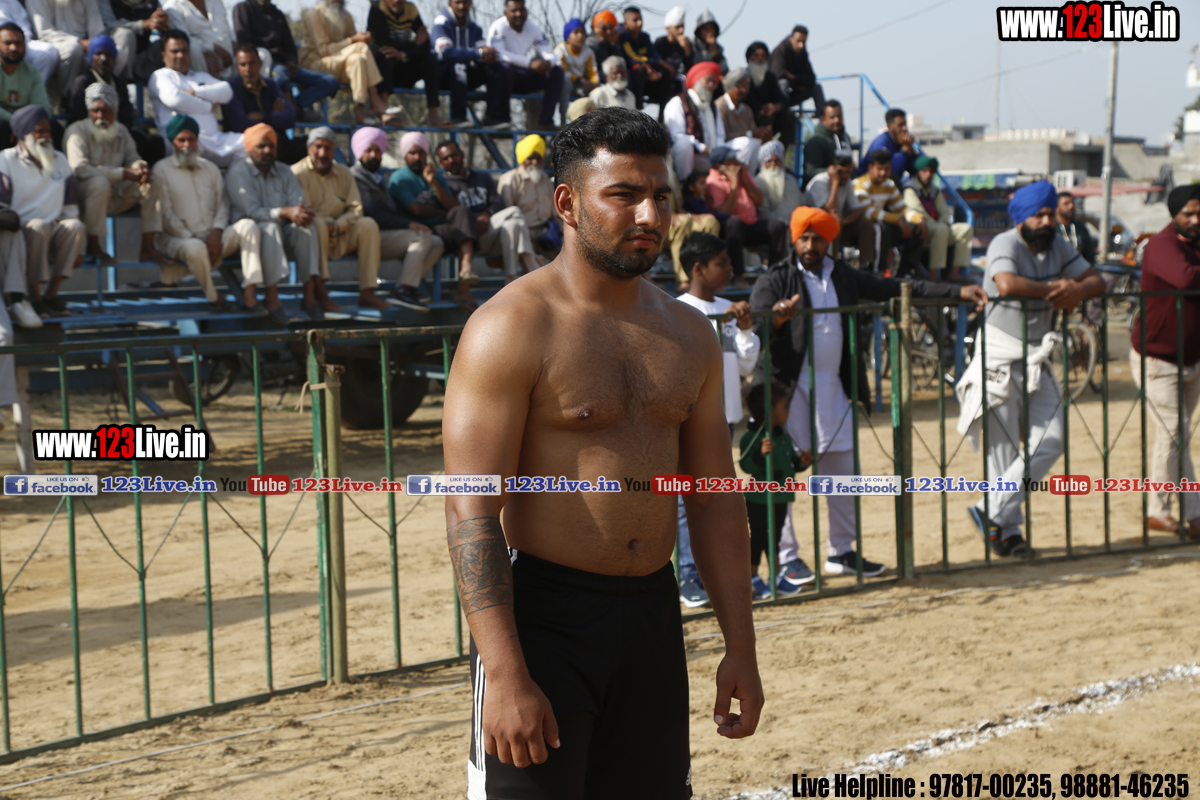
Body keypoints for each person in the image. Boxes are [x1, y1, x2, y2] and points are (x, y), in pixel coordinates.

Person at [444, 105, 762, 796]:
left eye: (661, 197)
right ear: (567, 203)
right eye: (624, 194)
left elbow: (714, 499)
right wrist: (504, 672)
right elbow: (471, 513)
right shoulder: (509, 327)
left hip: (652, 615)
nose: (650, 215)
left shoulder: (689, 334)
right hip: (543, 621)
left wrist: (740, 645)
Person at [753, 206, 988, 576]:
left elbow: (897, 288)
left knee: (843, 475)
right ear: (794, 240)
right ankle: (786, 559)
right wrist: (777, 318)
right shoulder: (776, 278)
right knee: (781, 476)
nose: (811, 245)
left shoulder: (841, 273)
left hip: (834, 387)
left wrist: (957, 290)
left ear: (829, 241)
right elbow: (756, 325)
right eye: (804, 238)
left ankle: (841, 552)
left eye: (818, 238)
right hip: (788, 392)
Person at [956, 181, 1105, 557]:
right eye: (1038, 215)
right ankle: (1009, 534)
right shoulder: (1004, 243)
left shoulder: (1058, 245)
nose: (1046, 221)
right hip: (999, 355)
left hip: (1039, 356)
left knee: (1052, 440)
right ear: (1022, 217)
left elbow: (1097, 279)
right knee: (1002, 450)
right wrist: (1058, 289)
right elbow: (1006, 284)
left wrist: (1077, 290)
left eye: (1050, 214)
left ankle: (990, 511)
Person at [672, 231, 765, 607]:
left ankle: (716, 571)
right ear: (698, 269)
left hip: (724, 417)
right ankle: (688, 574)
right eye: (721, 263)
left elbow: (746, 365)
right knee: (687, 495)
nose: (730, 269)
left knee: (718, 495)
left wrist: (744, 330)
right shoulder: (677, 309)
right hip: (691, 417)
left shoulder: (730, 308)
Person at [1128, 184, 1200, 539]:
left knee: (1174, 437)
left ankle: (1169, 511)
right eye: (1189, 213)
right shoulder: (1161, 244)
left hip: (1191, 358)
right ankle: (1182, 512)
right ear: (1174, 215)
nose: (1196, 219)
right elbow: (1186, 278)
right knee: (1175, 434)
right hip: (1157, 358)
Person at [154, 113, 263, 311]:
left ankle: (250, 293)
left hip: (213, 239)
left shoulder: (211, 169)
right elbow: (166, 215)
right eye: (181, 140)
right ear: (172, 142)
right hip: (179, 240)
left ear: (197, 141)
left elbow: (223, 205)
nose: (187, 144)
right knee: (195, 248)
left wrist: (217, 231)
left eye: (191, 139)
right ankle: (214, 298)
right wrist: (193, 237)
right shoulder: (161, 170)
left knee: (248, 227)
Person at [64, 82, 170, 268]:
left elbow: (133, 157)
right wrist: (123, 173)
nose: (100, 116)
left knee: (153, 181)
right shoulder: (76, 131)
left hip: (114, 196)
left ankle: (148, 247)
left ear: (115, 111)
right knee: (99, 183)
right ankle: (94, 246)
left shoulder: (121, 131)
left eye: (106, 111)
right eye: (95, 111)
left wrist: (140, 167)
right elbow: (79, 169)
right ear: (89, 111)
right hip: (84, 199)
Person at [225, 122, 321, 324]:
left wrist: (299, 213)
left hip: (281, 234)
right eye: (261, 146)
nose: (267, 151)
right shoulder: (237, 174)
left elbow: (297, 203)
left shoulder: (285, 172)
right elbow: (252, 212)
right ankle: (272, 296)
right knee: (269, 227)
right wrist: (284, 212)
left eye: (272, 146)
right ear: (249, 149)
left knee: (306, 229)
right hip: (247, 240)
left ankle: (310, 294)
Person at [293, 126, 391, 314]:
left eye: (328, 148)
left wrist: (338, 225)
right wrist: (327, 226)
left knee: (368, 224)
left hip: (340, 232)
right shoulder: (297, 173)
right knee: (315, 223)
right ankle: (320, 290)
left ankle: (368, 291)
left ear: (334, 150)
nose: (323, 153)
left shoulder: (344, 172)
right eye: (318, 147)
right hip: (313, 236)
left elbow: (356, 208)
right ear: (309, 149)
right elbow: (303, 212)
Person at [0, 106, 85, 318]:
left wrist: (78, 248)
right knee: (38, 226)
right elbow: (3, 208)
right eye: (39, 131)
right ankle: (35, 297)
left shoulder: (60, 160)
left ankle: (51, 294)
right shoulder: (6, 160)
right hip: (20, 233)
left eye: (48, 131)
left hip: (51, 230)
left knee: (75, 226)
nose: (46, 136)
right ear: (23, 135)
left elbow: (70, 208)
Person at [349, 126, 444, 312]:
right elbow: (371, 212)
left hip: (384, 236)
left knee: (437, 242)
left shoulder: (379, 176)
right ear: (359, 151)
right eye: (368, 150)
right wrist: (408, 223)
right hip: (364, 238)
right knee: (421, 237)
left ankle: (405, 287)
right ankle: (404, 289)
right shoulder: (355, 176)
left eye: (377, 150)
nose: (374, 155)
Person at [739, 378, 812, 599]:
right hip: (759, 499)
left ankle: (776, 576)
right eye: (784, 407)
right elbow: (746, 465)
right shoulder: (752, 437)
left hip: (781, 497)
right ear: (768, 411)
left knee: (775, 538)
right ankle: (752, 578)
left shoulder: (783, 436)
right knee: (758, 538)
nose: (788, 411)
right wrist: (760, 455)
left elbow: (791, 464)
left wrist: (803, 462)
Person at [386, 130, 477, 305]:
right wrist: (442, 213)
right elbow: (416, 209)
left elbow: (454, 207)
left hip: (442, 229)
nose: (417, 157)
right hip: (419, 229)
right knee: (462, 231)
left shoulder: (435, 176)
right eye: (413, 153)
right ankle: (407, 287)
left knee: (463, 214)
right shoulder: (400, 179)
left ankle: (466, 269)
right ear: (405, 155)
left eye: (421, 153)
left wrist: (434, 183)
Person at [436, 138, 539, 282]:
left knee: (513, 225)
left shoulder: (482, 177)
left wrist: (487, 214)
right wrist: (473, 222)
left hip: (490, 231)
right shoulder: (444, 185)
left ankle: (510, 279)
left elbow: (498, 202)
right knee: (515, 212)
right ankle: (533, 265)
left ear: (462, 154)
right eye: (446, 158)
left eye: (454, 155)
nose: (451, 160)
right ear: (441, 163)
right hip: (467, 237)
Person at [149, 30, 245, 167]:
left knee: (252, 143)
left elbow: (227, 92)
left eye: (184, 51)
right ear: (164, 55)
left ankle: (229, 179)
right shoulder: (160, 76)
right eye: (175, 51)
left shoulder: (200, 76)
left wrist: (195, 92)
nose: (181, 55)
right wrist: (208, 106)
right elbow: (175, 99)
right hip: (181, 142)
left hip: (215, 141)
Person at [232, 0, 338, 123]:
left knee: (329, 81)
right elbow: (244, 44)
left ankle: (294, 108)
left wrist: (292, 63)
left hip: (285, 65)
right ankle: (286, 112)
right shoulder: (242, 8)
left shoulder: (277, 14)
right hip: (262, 63)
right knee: (281, 74)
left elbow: (290, 46)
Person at [299, 0, 389, 125]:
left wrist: (362, 39)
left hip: (338, 64)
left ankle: (359, 111)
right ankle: (375, 98)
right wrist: (353, 40)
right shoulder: (315, 14)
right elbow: (323, 50)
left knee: (358, 59)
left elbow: (354, 46)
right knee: (360, 47)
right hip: (315, 65)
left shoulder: (346, 16)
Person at [705, 145, 788, 278]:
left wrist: (744, 177)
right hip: (728, 229)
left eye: (736, 160)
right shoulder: (713, 181)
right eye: (731, 162)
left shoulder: (743, 174)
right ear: (719, 166)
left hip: (750, 225)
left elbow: (759, 200)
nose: (736, 163)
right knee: (735, 223)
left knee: (778, 226)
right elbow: (725, 212)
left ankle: (775, 275)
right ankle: (739, 275)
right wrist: (734, 184)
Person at [428, 0, 508, 128]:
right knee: (458, 64)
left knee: (496, 67)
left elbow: (481, 53)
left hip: (464, 77)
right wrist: (478, 53)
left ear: (470, 3)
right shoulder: (441, 23)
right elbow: (447, 53)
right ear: (450, 3)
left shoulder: (474, 27)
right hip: (441, 77)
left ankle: (492, 117)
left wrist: (488, 56)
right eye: (458, 2)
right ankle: (458, 117)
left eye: (465, 2)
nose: (462, 6)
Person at [222, 44, 306, 164]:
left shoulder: (270, 85)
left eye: (252, 63)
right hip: (249, 146)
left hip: (278, 143)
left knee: (315, 142)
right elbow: (240, 125)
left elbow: (290, 118)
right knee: (272, 141)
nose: (247, 68)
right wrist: (274, 118)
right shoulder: (230, 88)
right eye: (243, 64)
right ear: (237, 66)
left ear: (260, 64)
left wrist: (262, 116)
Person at [486, 0, 563, 130]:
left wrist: (547, 63)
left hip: (523, 76)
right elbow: (498, 54)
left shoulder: (533, 29)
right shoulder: (498, 27)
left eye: (521, 10)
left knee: (556, 71)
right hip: (502, 79)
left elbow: (548, 52)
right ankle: (501, 119)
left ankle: (546, 121)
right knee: (505, 68)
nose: (518, 14)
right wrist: (529, 62)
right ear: (506, 13)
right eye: (514, 11)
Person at [366, 0, 441, 125]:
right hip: (378, 75)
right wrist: (414, 44)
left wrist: (403, 54)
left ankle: (433, 113)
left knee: (431, 59)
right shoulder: (376, 8)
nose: (397, 1)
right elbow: (383, 42)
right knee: (386, 54)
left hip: (401, 72)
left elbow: (425, 44)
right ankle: (385, 111)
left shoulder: (411, 9)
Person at [852, 148, 925, 275]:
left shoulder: (889, 184)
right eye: (879, 169)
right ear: (871, 167)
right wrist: (897, 220)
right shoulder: (860, 184)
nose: (883, 173)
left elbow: (902, 209)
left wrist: (919, 219)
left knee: (917, 229)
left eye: (887, 169)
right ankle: (877, 271)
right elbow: (870, 212)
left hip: (881, 225)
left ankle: (906, 271)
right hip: (861, 228)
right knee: (882, 228)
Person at [903, 154, 973, 281]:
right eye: (924, 171)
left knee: (965, 229)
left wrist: (944, 222)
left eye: (931, 172)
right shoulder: (910, 189)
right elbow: (918, 213)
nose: (928, 175)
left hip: (936, 229)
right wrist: (940, 226)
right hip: (921, 229)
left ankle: (955, 272)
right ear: (918, 172)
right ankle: (934, 274)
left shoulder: (934, 190)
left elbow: (945, 211)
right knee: (941, 229)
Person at [26, 0, 105, 97]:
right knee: (74, 50)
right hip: (55, 44)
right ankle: (67, 97)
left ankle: (106, 96)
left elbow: (97, 31)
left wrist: (95, 44)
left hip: (87, 46)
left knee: (117, 53)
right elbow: (45, 33)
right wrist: (79, 42)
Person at [497, 134, 558, 257]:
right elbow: (508, 212)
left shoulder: (545, 178)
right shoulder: (510, 179)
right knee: (531, 259)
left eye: (538, 158)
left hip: (546, 233)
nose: (535, 162)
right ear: (522, 159)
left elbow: (554, 211)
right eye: (530, 158)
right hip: (522, 234)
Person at [663, 60, 723, 180]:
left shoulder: (712, 107)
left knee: (745, 145)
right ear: (697, 80)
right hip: (689, 156)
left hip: (710, 157)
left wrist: (718, 153)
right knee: (683, 144)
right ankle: (685, 183)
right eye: (708, 80)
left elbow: (720, 135)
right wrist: (702, 148)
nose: (711, 85)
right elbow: (677, 137)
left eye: (714, 82)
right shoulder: (678, 102)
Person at [808, 154, 870, 266]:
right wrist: (835, 182)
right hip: (816, 227)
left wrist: (845, 221)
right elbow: (828, 210)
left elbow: (858, 209)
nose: (845, 176)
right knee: (835, 220)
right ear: (832, 169)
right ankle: (832, 263)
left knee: (866, 221)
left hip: (838, 226)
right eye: (841, 172)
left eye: (848, 172)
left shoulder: (847, 182)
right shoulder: (820, 182)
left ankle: (866, 266)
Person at [0, 23, 51, 147]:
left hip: (28, 125)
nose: (13, 48)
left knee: (54, 128)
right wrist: (17, 124)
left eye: (18, 43)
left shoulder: (32, 72)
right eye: (7, 43)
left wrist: (29, 125)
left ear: (24, 46)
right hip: (6, 123)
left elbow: (43, 107)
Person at [716, 68, 772, 171]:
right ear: (730, 87)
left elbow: (755, 136)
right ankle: (735, 173)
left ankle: (749, 177)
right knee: (747, 143)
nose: (745, 90)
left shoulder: (746, 109)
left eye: (746, 87)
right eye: (740, 86)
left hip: (746, 148)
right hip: (725, 149)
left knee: (759, 144)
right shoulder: (720, 106)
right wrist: (751, 134)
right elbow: (723, 136)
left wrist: (764, 135)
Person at [97, 0, 169, 80]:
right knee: (126, 35)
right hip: (116, 57)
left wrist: (160, 21)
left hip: (143, 55)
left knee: (166, 44)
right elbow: (110, 24)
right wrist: (142, 25)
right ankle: (122, 81)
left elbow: (163, 24)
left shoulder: (154, 2)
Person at [162, 0, 234, 78]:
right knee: (193, 48)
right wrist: (213, 48)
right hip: (203, 65)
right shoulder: (172, 8)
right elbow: (183, 40)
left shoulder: (215, 1)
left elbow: (226, 28)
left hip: (232, 62)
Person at [619, 6, 673, 109]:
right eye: (635, 20)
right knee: (639, 69)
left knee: (666, 73)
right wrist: (652, 64)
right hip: (633, 80)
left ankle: (663, 112)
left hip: (649, 77)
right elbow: (632, 58)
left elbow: (655, 56)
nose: (640, 23)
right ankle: (637, 110)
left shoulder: (645, 37)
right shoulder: (623, 37)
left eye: (641, 19)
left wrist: (657, 71)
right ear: (626, 24)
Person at [0, 0, 59, 86]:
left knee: (47, 52)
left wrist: (19, 41)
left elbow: (23, 23)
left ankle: (30, 90)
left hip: (17, 43)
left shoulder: (9, 1)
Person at [744, 41, 791, 147]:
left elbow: (782, 99)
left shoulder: (770, 77)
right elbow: (743, 99)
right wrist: (761, 108)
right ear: (749, 58)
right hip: (749, 115)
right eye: (756, 55)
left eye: (763, 56)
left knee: (790, 116)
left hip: (770, 115)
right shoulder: (744, 76)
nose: (760, 58)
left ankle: (781, 150)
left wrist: (776, 106)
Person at [770, 26, 823, 112]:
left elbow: (811, 78)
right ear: (791, 38)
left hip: (792, 94)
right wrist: (797, 81)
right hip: (776, 99)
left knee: (816, 88)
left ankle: (823, 117)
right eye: (798, 41)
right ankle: (782, 115)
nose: (801, 45)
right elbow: (777, 75)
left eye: (804, 42)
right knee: (783, 83)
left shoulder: (802, 52)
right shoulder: (780, 50)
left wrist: (794, 78)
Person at [803, 99, 852, 189]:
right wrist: (834, 170)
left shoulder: (846, 138)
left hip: (844, 189)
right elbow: (810, 172)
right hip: (822, 191)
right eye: (832, 117)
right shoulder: (816, 142)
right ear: (823, 119)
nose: (837, 120)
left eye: (839, 116)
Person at [858, 107, 916, 180]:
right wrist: (904, 150)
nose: (905, 128)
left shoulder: (903, 142)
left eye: (905, 124)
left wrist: (911, 150)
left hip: (889, 183)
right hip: (868, 182)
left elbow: (915, 169)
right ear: (889, 127)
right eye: (900, 125)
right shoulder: (880, 143)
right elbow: (887, 170)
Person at [755, 139, 803, 226]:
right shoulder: (758, 182)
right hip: (776, 227)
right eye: (769, 161)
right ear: (763, 163)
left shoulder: (791, 180)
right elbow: (763, 213)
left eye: (777, 160)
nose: (773, 164)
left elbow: (801, 204)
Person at [1055, 191, 1095, 266]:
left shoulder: (1081, 228)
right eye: (1066, 203)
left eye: (1072, 202)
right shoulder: (1052, 229)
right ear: (1057, 207)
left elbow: (1089, 255)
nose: (1071, 206)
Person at [654, 6, 691, 82]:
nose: (681, 30)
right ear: (668, 28)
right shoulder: (660, 43)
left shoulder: (687, 43)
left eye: (682, 26)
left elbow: (690, 68)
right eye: (677, 27)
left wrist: (687, 49)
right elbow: (657, 62)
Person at [586, 10, 621, 80]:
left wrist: (611, 43)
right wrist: (602, 40)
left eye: (611, 28)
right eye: (604, 29)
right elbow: (603, 63)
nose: (609, 32)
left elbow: (619, 62)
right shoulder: (590, 42)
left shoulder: (614, 41)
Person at [691, 8, 726, 75]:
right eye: (705, 29)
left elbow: (724, 71)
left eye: (711, 28)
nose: (709, 32)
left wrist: (715, 53)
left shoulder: (718, 49)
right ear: (699, 31)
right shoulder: (691, 46)